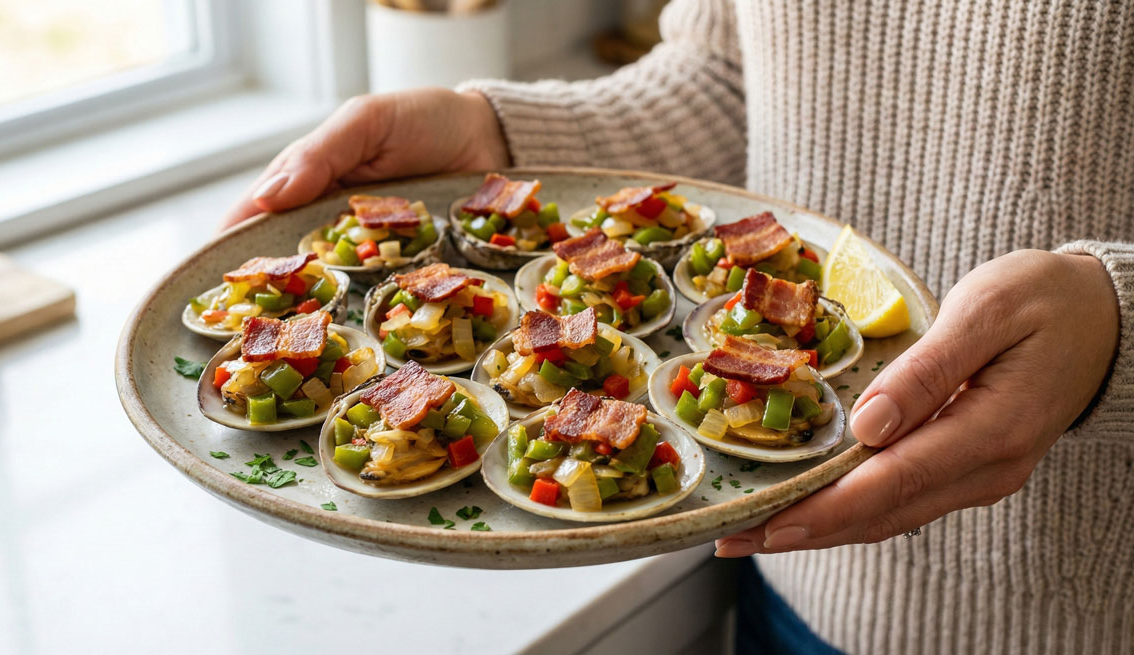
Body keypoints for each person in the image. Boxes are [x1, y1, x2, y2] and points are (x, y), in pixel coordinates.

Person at [223, 1, 1134, 652]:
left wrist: (1113, 321)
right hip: (793, 571)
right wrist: (500, 137)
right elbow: (729, 78)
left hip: (1087, 613)